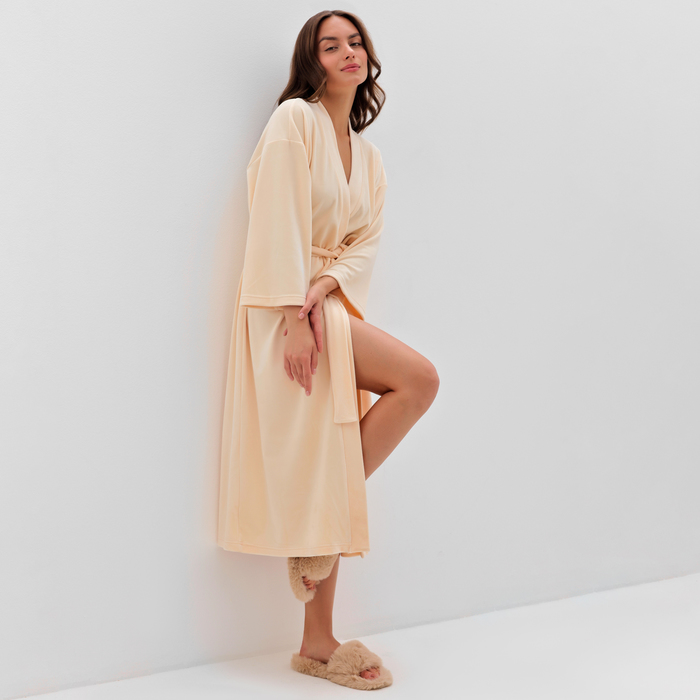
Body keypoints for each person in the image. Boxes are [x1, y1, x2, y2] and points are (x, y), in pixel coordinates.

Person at [218, 10, 439, 690]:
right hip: (282, 307)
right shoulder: (295, 121)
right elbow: (275, 218)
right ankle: (317, 617)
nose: (349, 51)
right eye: (331, 44)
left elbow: (365, 242)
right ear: (312, 61)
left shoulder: (366, 156)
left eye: (356, 41)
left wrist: (325, 287)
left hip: (323, 300)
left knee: (390, 401)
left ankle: (317, 638)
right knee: (408, 386)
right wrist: (293, 313)